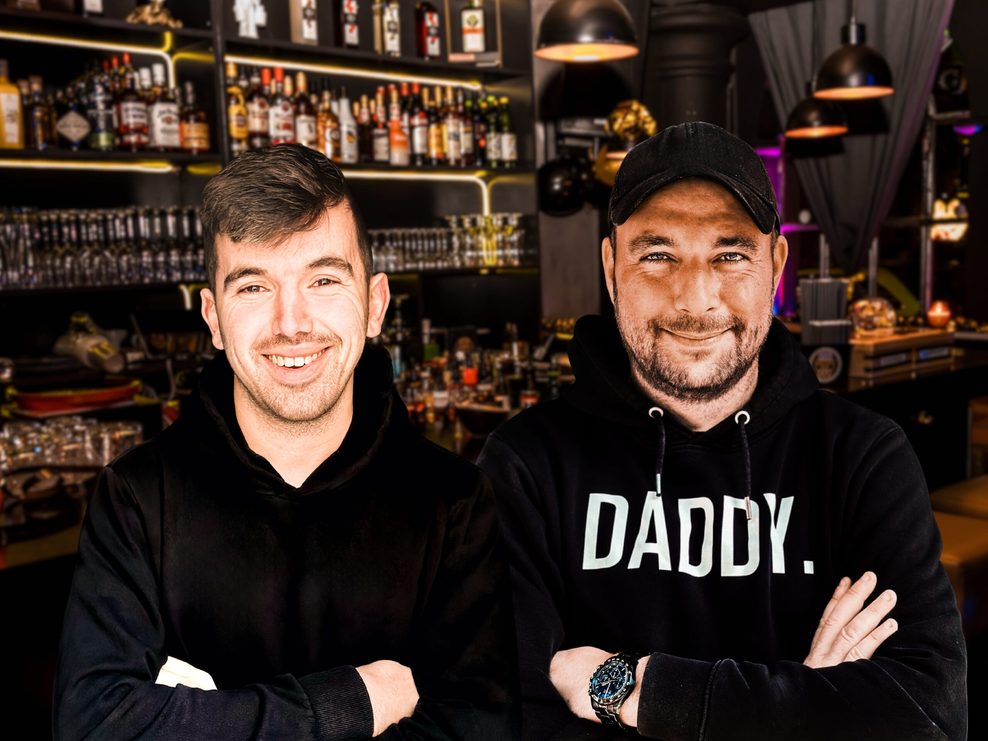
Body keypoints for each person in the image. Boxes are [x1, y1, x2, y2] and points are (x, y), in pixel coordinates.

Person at [478, 122, 967, 740]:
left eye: (730, 254)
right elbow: (506, 722)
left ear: (776, 267)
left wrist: (629, 689)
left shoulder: (862, 456)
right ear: (610, 267)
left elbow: (929, 717)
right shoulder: (525, 467)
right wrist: (807, 705)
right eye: (657, 255)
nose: (696, 299)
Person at [54, 144, 519, 740]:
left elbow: (477, 729)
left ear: (375, 304)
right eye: (253, 288)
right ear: (214, 318)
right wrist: (351, 703)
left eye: (324, 278)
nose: (291, 323)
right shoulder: (138, 497)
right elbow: (96, 726)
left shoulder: (454, 500)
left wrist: (210, 719)